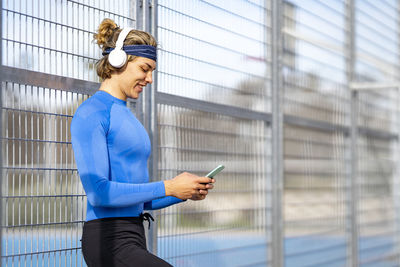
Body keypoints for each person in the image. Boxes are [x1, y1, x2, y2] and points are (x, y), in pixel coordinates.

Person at [70, 18, 215, 267]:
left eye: (152, 72)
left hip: (134, 234)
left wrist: (183, 192)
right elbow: (98, 193)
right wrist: (169, 186)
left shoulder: (127, 115)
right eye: (144, 68)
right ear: (119, 61)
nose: (149, 78)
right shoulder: (92, 113)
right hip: (108, 239)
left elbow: (137, 198)